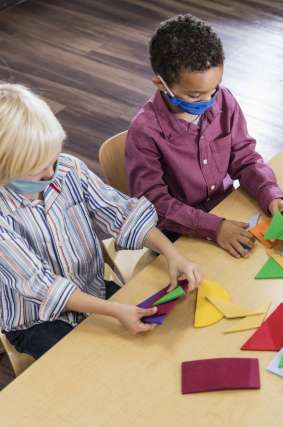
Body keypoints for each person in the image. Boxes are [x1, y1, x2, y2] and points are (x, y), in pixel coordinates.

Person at [0, 83, 201, 359]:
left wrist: (172, 253)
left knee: (151, 342)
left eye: (54, 159)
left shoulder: (68, 170)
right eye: (39, 170)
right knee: (93, 368)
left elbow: (121, 213)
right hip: (37, 320)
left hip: (92, 288)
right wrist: (116, 310)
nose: (52, 172)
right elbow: (43, 287)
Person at [126, 14, 283, 258]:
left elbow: (245, 158)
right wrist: (213, 228)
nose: (208, 102)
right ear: (161, 84)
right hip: (178, 233)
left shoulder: (224, 100)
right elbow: (154, 203)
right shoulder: (145, 132)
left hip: (226, 211)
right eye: (195, 96)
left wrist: (270, 195)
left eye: (213, 89)